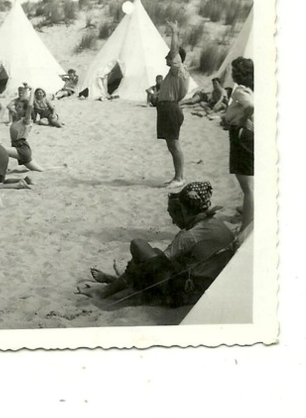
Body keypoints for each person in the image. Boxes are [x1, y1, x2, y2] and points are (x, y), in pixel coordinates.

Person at [77, 182, 235, 306]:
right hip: (206, 286)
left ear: (185, 210)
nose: (173, 220)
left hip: (185, 294)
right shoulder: (218, 224)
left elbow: (154, 266)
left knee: (138, 245)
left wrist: (135, 267)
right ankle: (118, 282)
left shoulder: (190, 236)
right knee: (154, 252)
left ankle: (106, 291)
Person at [155, 20, 192, 189]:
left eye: (169, 55)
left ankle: (179, 177)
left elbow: (175, 51)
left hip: (170, 108)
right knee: (171, 144)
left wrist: (174, 32)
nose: (166, 57)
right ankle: (178, 176)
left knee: (174, 144)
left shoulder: (179, 70)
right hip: (167, 108)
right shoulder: (174, 72)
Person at [221, 57, 255, 233]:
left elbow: (250, 106)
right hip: (246, 132)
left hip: (241, 133)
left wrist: (242, 119)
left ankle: (246, 227)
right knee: (248, 179)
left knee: (247, 184)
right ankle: (248, 212)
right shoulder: (251, 89)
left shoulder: (240, 90)